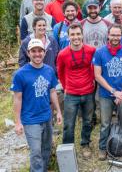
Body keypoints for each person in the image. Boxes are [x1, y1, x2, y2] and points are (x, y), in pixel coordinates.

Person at [12, 39, 62, 171]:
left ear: (44, 53)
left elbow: (52, 91)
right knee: (36, 152)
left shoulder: (49, 70)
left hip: (46, 116)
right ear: (28, 53)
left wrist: (58, 111)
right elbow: (17, 99)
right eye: (33, 51)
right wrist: (17, 122)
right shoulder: (20, 74)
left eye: (40, 51)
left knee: (46, 148)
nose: (37, 54)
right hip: (30, 120)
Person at [93, 24, 122, 161]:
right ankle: (102, 148)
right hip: (106, 95)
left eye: (118, 35)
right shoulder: (100, 52)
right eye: (112, 35)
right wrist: (114, 91)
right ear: (108, 35)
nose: (115, 37)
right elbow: (97, 75)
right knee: (105, 123)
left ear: (121, 36)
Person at [56, 23, 96, 159]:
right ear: (68, 36)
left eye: (78, 34)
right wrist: (66, 87)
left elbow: (94, 66)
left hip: (88, 92)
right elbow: (60, 72)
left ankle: (85, 144)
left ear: (82, 35)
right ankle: (67, 148)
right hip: (71, 94)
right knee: (68, 123)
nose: (76, 37)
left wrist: (92, 80)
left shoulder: (91, 50)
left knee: (88, 120)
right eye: (72, 34)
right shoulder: (62, 54)